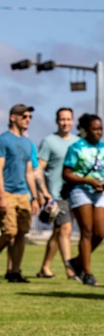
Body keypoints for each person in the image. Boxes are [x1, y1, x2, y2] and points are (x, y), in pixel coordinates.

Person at [62, 114, 104, 286]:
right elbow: (67, 173)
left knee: (100, 233)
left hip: (98, 192)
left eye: (101, 129)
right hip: (80, 190)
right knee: (87, 230)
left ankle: (77, 262)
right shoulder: (76, 148)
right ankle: (87, 272)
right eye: (95, 129)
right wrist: (88, 181)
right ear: (85, 130)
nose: (99, 132)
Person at [0, 104, 41, 283]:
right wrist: (1, 196)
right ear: (13, 117)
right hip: (7, 191)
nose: (28, 120)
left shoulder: (27, 143)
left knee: (21, 233)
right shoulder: (4, 140)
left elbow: (29, 172)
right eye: (24, 116)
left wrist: (35, 197)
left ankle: (14, 271)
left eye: (29, 117)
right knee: (9, 232)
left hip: (23, 193)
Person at [35, 107, 78, 279]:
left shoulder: (77, 142)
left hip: (74, 194)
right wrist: (44, 194)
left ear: (72, 121)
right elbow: (39, 169)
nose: (65, 122)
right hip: (56, 194)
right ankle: (70, 269)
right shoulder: (49, 142)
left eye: (68, 119)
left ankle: (45, 267)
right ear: (56, 121)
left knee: (58, 231)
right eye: (62, 119)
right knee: (65, 229)